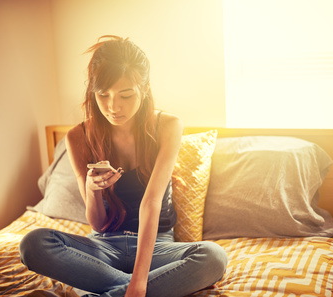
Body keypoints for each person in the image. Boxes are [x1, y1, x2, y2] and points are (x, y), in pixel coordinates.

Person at [19, 35, 227, 297]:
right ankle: (141, 287)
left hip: (157, 248)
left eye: (125, 95)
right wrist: (92, 189)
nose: (112, 107)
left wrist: (139, 282)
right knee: (33, 244)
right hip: (102, 248)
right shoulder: (78, 137)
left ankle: (110, 291)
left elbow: (151, 202)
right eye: (103, 95)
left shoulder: (168, 126)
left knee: (213, 257)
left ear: (145, 88)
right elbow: (98, 223)